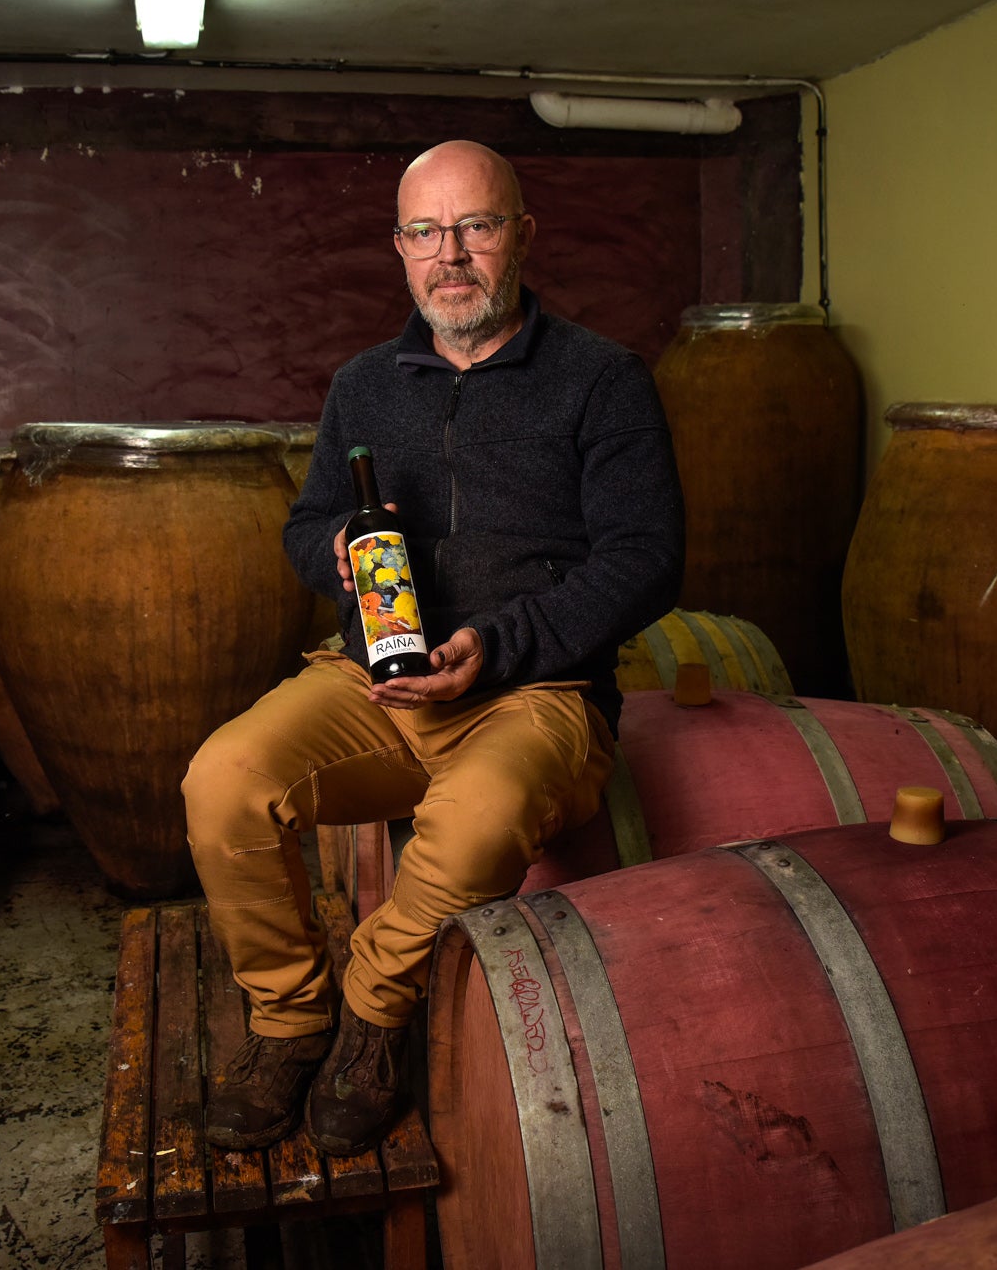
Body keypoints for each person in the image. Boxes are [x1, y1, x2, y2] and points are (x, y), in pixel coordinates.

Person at [182, 139, 684, 1157]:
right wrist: (333, 555)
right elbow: (304, 524)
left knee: (481, 812)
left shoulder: (601, 379)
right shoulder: (362, 386)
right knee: (220, 779)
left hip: (534, 691)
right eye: (425, 231)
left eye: (476, 226)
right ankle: (288, 1022)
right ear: (399, 248)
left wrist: (497, 644)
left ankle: (372, 1018)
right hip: (374, 679)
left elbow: (646, 559)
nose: (449, 254)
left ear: (520, 237)